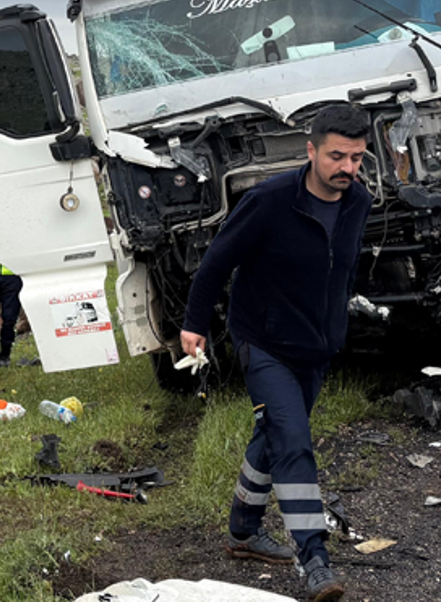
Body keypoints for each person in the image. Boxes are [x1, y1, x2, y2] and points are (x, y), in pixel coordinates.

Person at [181, 104, 369, 602]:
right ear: (310, 151)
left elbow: (342, 272)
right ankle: (315, 562)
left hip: (316, 344)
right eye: (335, 156)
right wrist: (194, 325)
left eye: (355, 157)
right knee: (293, 440)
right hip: (261, 340)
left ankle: (243, 530)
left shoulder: (359, 202)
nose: (346, 168)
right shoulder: (269, 201)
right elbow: (216, 262)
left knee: (273, 434)